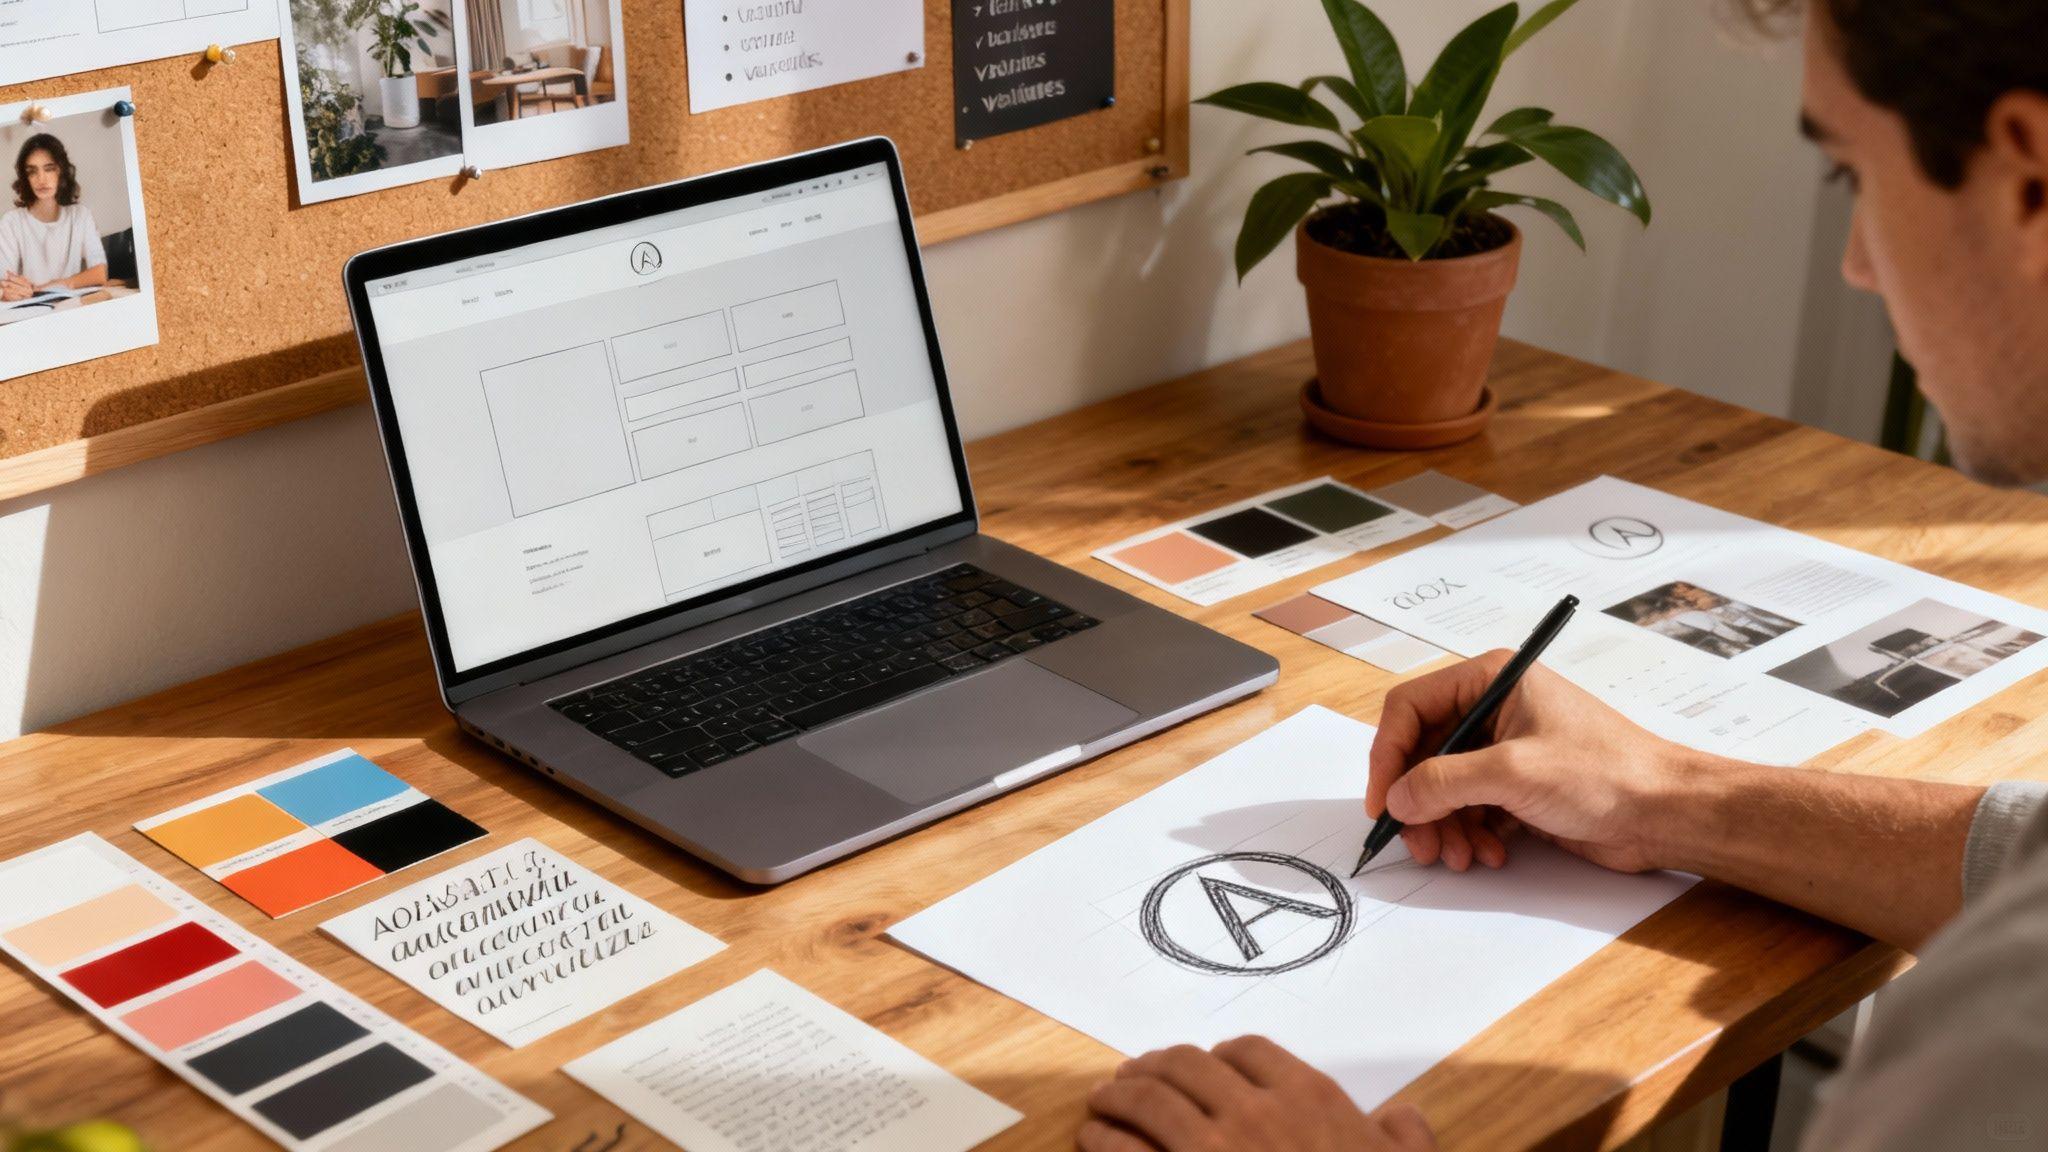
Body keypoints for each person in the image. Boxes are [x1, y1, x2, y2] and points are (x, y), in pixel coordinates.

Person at [1080, 1, 2048, 1149]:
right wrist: (1662, 797)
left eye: (1849, 174)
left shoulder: (2009, 1034)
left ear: (2027, 178)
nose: (1853, 265)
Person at [1, 133, 110, 304]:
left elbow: (99, 273)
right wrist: (9, 291)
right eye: (32, 171)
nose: (41, 179)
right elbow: (4, 280)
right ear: (25, 177)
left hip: (70, 304)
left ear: (61, 171)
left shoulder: (80, 216)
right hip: (30, 306)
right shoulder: (11, 221)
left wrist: (57, 284)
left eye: (49, 168)